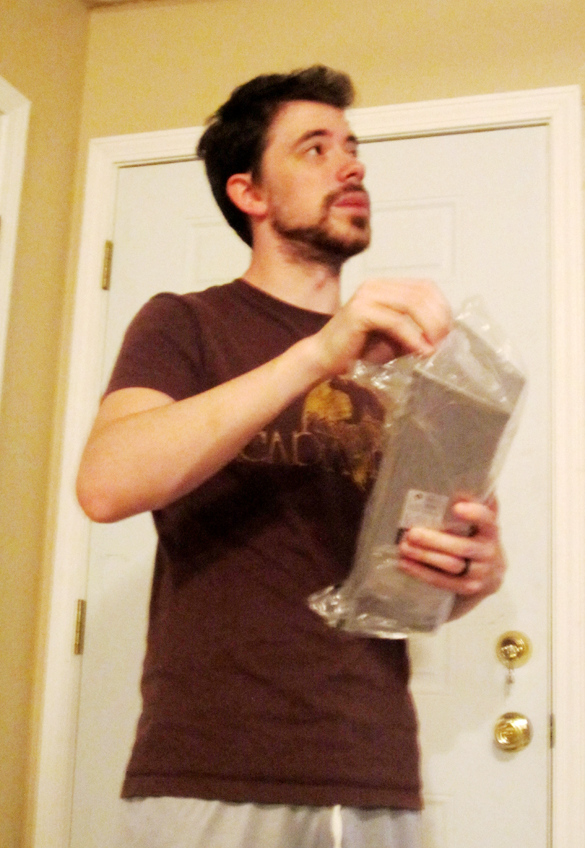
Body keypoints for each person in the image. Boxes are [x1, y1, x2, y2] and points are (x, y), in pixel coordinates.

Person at [76, 65, 505, 848]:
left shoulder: (406, 364)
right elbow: (106, 484)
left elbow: (413, 587)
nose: (351, 166)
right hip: (212, 770)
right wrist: (319, 353)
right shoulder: (184, 324)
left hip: (375, 774)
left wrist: (475, 574)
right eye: (315, 148)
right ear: (250, 193)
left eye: (352, 147)